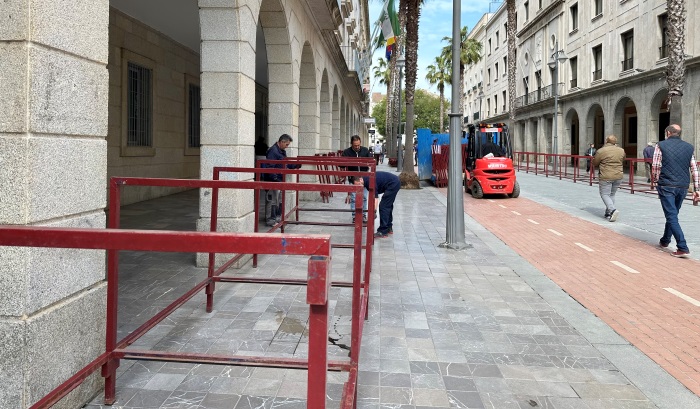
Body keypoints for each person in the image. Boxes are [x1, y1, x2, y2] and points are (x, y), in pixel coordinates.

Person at [651, 124, 700, 258]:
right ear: (678, 133)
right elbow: (694, 169)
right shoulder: (689, 147)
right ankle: (665, 240)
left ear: (667, 133)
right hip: (683, 186)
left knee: (671, 215)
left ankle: (682, 246)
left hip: (667, 184)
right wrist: (697, 189)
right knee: (673, 214)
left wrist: (655, 181)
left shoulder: (661, 145)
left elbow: (656, 166)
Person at [262, 134, 299, 226]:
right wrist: (275, 179)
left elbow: (284, 164)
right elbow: (270, 167)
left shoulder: (281, 151)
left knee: (278, 201)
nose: (287, 147)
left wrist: (295, 165)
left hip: (278, 180)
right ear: (282, 142)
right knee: (272, 201)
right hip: (273, 181)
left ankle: (277, 218)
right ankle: (270, 220)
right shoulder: (273, 151)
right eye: (286, 144)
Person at [350, 172, 400, 238]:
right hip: (394, 182)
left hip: (393, 183)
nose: (359, 186)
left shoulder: (369, 181)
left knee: (384, 206)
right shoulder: (367, 179)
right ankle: (388, 227)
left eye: (359, 184)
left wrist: (373, 212)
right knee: (388, 205)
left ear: (361, 179)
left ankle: (383, 231)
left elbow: (375, 198)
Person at [593, 135, 625, 222]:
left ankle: (612, 210)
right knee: (612, 194)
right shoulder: (621, 150)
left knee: (604, 194)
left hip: (606, 175)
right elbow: (623, 159)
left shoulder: (601, 151)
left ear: (606, 141)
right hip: (618, 175)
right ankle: (608, 212)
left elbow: (595, 162)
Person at [342, 135, 372, 223]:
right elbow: (341, 164)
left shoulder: (365, 150)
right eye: (355, 145)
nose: (357, 147)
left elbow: (371, 161)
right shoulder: (347, 152)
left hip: (364, 177)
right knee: (354, 197)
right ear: (351, 144)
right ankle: (355, 216)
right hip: (353, 178)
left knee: (365, 197)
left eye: (358, 145)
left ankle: (363, 215)